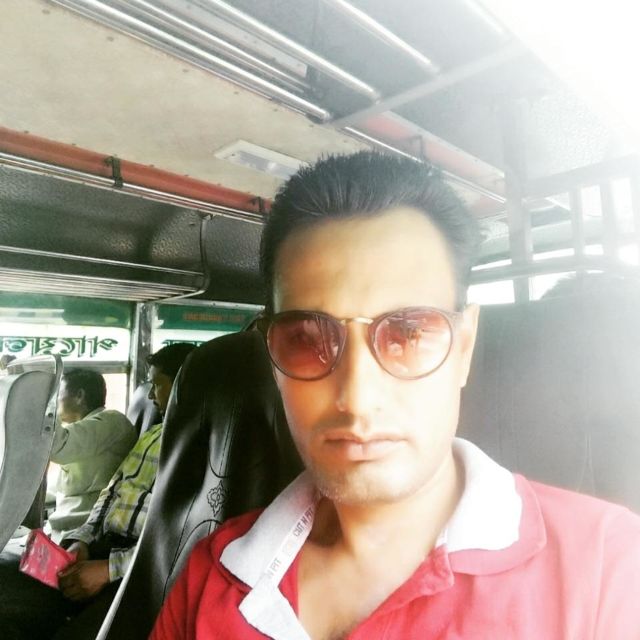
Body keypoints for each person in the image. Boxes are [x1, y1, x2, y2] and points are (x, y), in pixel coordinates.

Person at [151, 151, 640, 639]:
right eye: (306, 340)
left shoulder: (606, 568)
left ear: (463, 347)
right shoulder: (210, 577)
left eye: (408, 333)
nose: (357, 399)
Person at [0, 344, 195, 640]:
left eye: (157, 384)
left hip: (137, 565)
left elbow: (182, 537)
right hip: (99, 546)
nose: (150, 396)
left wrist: (108, 570)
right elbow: (110, 494)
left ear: (184, 385)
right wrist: (82, 540)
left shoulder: (194, 445)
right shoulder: (153, 434)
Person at [49, 369, 137, 541]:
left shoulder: (112, 422)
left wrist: (46, 407)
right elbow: (57, 487)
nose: (56, 400)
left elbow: (57, 448)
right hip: (61, 529)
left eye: (58, 394)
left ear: (80, 396)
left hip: (83, 532)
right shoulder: (82, 430)